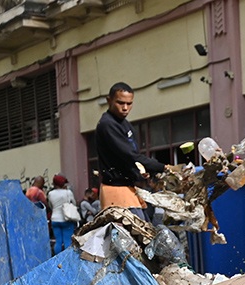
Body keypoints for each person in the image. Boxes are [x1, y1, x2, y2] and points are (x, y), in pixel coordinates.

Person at [95, 82, 164, 221]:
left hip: (129, 189)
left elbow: (129, 157)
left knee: (145, 234)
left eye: (129, 103)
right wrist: (162, 167)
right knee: (135, 236)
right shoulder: (108, 124)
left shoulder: (124, 124)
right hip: (116, 190)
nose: (125, 108)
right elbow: (130, 156)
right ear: (109, 100)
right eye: (120, 103)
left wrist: (141, 172)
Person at [48, 174, 78, 254]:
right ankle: (66, 259)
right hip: (66, 218)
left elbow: (50, 205)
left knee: (58, 241)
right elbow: (74, 204)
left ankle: (57, 259)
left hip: (55, 219)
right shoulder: (68, 192)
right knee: (67, 240)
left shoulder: (51, 193)